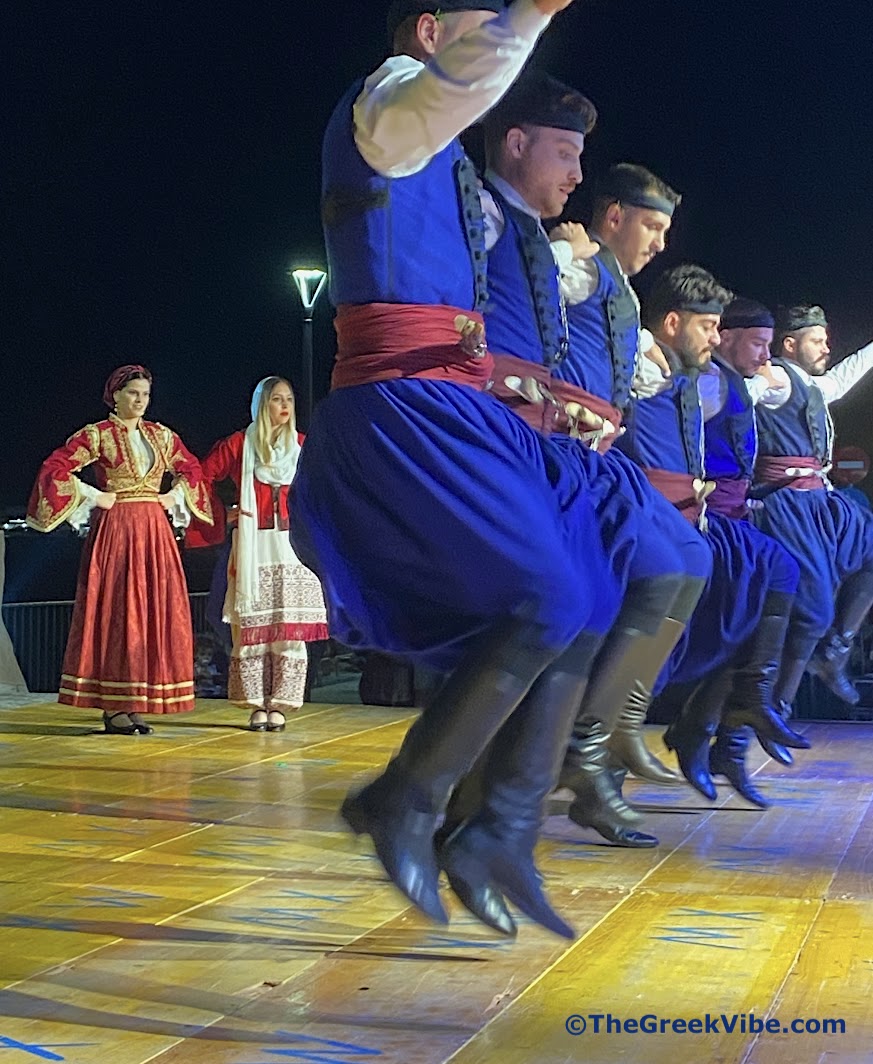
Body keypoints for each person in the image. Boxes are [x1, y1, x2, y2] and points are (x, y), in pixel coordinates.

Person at [291, 0, 621, 938]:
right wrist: (529, 15)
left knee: (586, 599)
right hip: (402, 407)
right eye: (478, 26)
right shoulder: (388, 106)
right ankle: (413, 798)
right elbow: (459, 87)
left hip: (460, 405)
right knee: (550, 600)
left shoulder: (442, 162)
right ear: (430, 31)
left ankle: (497, 825)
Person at [469, 97, 710, 851]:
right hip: (554, 452)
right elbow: (530, 315)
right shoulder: (573, 261)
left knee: (674, 569)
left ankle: (595, 744)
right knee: (608, 593)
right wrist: (562, 254)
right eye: (651, 226)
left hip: (593, 456)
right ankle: (567, 758)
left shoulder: (620, 291)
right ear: (613, 218)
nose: (658, 243)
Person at [612, 267, 809, 804]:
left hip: (703, 517)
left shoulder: (705, 375)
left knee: (768, 594)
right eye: (713, 327)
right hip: (672, 517)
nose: (717, 338)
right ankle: (610, 759)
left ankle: (727, 728)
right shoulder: (682, 374)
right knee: (707, 618)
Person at [26, 365, 212, 734]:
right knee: (118, 612)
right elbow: (56, 468)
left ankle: (135, 701)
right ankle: (114, 706)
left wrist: (173, 494)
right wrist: (95, 495)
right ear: (115, 395)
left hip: (154, 532)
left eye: (144, 394)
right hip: (117, 530)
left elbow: (191, 469)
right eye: (132, 394)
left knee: (148, 614)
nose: (140, 401)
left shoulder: (161, 435)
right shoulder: (98, 435)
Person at [752, 305, 873, 709]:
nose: (826, 347)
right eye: (817, 341)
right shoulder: (778, 376)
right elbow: (740, 391)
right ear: (790, 344)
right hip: (788, 504)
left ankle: (835, 651)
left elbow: (844, 376)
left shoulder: (813, 387)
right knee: (813, 611)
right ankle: (777, 704)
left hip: (819, 501)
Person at [190, 378, 328, 730]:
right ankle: (256, 704)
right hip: (254, 545)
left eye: (289, 400)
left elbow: (325, 487)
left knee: (288, 628)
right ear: (261, 404)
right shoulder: (240, 444)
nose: (284, 406)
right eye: (276, 399)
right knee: (252, 626)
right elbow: (199, 478)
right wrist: (223, 513)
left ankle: (280, 703)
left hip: (292, 548)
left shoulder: (302, 447)